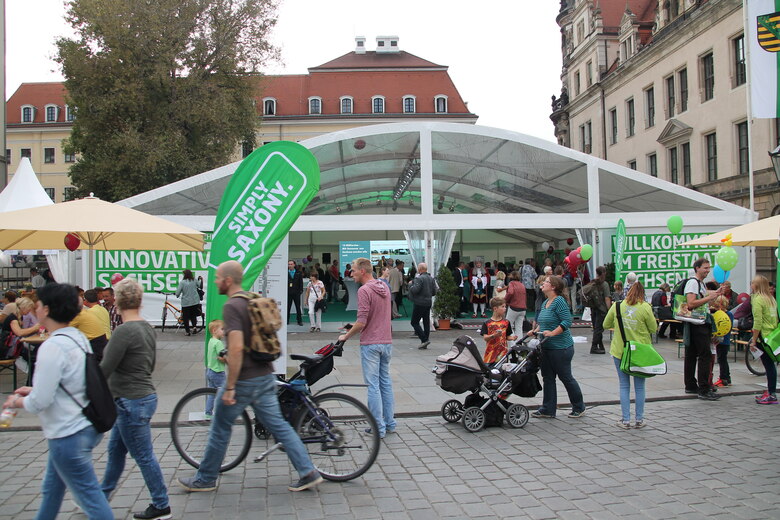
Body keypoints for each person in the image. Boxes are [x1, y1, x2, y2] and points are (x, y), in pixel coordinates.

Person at [178, 261, 322, 492]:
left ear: (227, 280)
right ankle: (308, 471)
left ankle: (205, 478)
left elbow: (235, 348)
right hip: (264, 374)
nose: (214, 281)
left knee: (219, 427)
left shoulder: (232, 307)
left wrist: (231, 386)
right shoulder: (250, 299)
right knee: (280, 426)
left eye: (217, 278)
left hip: (244, 379)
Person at [3, 283, 114, 519]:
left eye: (39, 304)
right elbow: (69, 381)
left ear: (47, 309)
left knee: (92, 499)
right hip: (79, 426)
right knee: (51, 491)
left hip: (67, 433)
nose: (36, 307)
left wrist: (15, 403)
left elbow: (39, 402)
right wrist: (33, 388)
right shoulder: (76, 337)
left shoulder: (52, 346)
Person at [99, 278, 171, 520]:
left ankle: (161, 504)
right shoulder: (147, 328)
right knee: (116, 451)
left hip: (131, 400)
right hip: (141, 396)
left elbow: (105, 368)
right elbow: (150, 364)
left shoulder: (123, 331)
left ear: (117, 302)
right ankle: (99, 499)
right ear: (140, 301)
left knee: (143, 455)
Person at [338, 257, 396, 438]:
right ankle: (390, 423)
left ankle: (378, 427)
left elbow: (362, 322)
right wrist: (352, 326)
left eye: (353, 270)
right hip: (386, 342)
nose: (351, 273)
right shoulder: (383, 287)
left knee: (373, 386)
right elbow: (374, 316)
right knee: (385, 383)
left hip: (371, 343)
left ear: (362, 271)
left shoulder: (364, 290)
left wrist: (346, 336)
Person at [529, 275, 586, 419]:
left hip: (561, 347)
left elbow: (567, 321)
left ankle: (579, 406)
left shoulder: (559, 301)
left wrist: (553, 333)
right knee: (547, 377)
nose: (543, 283)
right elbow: (544, 322)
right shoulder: (546, 302)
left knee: (565, 376)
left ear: (553, 287)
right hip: (546, 347)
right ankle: (548, 408)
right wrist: (535, 331)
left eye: (546, 282)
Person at [603, 281, 657, 429]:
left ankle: (625, 420)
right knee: (640, 387)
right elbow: (653, 328)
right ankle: (639, 419)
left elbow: (605, 325)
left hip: (620, 350)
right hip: (640, 352)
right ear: (642, 294)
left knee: (624, 385)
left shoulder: (617, 306)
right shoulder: (645, 307)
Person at [683, 258, 723, 401]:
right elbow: (691, 303)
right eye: (705, 268)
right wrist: (709, 297)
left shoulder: (699, 284)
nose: (707, 270)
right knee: (704, 355)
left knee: (692, 354)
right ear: (697, 268)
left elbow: (699, 302)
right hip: (698, 324)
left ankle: (691, 385)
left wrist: (713, 295)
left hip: (697, 322)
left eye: (708, 268)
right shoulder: (693, 283)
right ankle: (703, 389)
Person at [749, 275, 779, 404]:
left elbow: (758, 321)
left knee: (768, 365)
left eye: (752, 283)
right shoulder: (771, 298)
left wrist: (754, 340)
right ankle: (770, 391)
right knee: (770, 365)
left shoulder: (757, 299)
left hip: (763, 337)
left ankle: (771, 393)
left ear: (756, 285)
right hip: (772, 335)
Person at [70, 296, 109, 362]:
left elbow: (62, 329)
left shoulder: (79, 315)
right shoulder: (87, 312)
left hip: (94, 347)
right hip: (102, 343)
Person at [408, 262, 437, 350]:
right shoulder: (431, 278)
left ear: (420, 270)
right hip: (428, 302)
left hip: (419, 303)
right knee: (426, 321)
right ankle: (426, 339)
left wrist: (411, 285)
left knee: (414, 322)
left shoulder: (419, 278)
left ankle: (424, 339)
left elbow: (415, 290)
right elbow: (434, 292)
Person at [481, 297, 517, 364]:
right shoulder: (487, 323)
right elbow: (485, 338)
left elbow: (507, 336)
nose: (505, 309)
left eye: (505, 307)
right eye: (502, 307)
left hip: (503, 353)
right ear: (495, 309)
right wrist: (494, 335)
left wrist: (512, 338)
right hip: (490, 353)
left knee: (502, 371)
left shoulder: (506, 322)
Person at [586, 266, 612, 355]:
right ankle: (594, 347)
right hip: (602, 309)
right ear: (604, 273)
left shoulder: (593, 282)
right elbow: (607, 298)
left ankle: (600, 346)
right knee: (599, 329)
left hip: (593, 308)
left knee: (596, 328)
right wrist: (609, 310)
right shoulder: (604, 284)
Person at [711, 295, 733, 389]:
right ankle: (727, 378)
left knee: (722, 359)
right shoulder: (729, 314)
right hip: (725, 340)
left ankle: (724, 378)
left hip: (722, 340)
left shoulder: (723, 315)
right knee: (723, 359)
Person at [204, 320, 226, 417]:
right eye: (222, 329)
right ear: (214, 330)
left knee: (211, 393)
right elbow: (222, 357)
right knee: (224, 393)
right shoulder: (218, 343)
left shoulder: (211, 341)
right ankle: (221, 412)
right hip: (218, 372)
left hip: (210, 370)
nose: (224, 331)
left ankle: (208, 412)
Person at [499, 271, 526, 339]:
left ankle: (512, 343)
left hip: (514, 307)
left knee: (508, 325)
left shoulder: (511, 283)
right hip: (523, 308)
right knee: (519, 327)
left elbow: (510, 292)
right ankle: (519, 344)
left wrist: (505, 300)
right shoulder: (522, 284)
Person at [176, 269, 201, 336]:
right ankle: (194, 327)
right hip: (195, 301)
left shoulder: (182, 282)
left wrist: (177, 295)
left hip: (186, 302)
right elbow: (199, 285)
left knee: (185, 317)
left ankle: (187, 331)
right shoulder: (195, 280)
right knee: (193, 315)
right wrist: (200, 280)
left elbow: (177, 293)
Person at [286, 260, 304, 326]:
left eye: (291, 264)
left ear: (294, 265)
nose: (290, 265)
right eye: (289, 264)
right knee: (288, 307)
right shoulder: (286, 272)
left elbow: (301, 282)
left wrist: (300, 291)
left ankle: (299, 321)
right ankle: (287, 320)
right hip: (288, 293)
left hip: (296, 293)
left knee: (298, 307)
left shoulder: (298, 273)